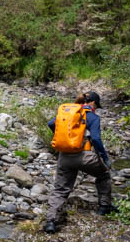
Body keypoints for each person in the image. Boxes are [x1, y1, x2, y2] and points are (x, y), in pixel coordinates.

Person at [44, 91, 114, 234]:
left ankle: (51, 221)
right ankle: (104, 207)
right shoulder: (93, 117)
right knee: (104, 175)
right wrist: (104, 157)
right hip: (84, 156)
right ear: (92, 103)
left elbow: (51, 123)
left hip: (65, 157)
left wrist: (65, 140)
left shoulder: (69, 113)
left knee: (60, 189)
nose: (96, 108)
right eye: (97, 106)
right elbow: (96, 139)